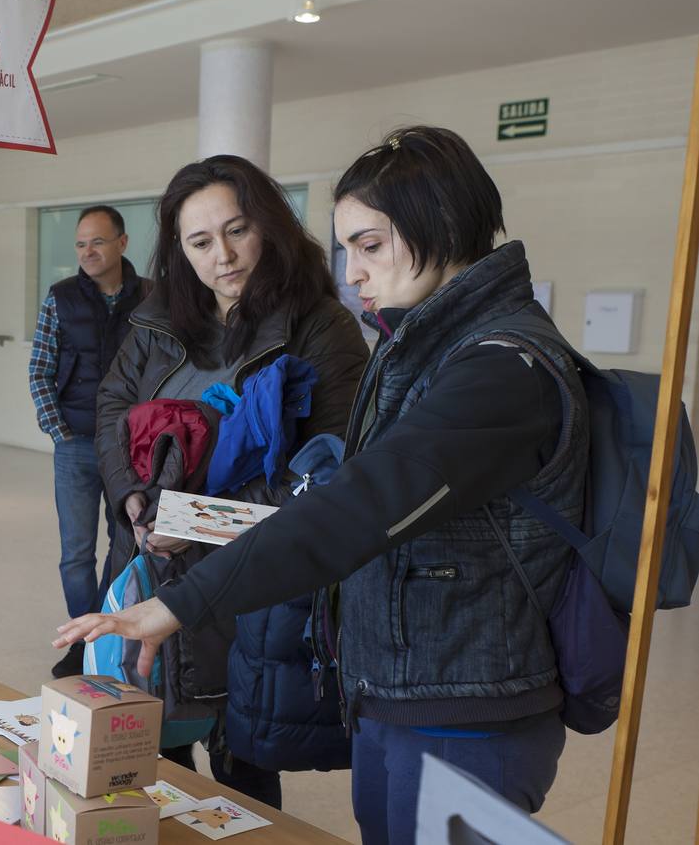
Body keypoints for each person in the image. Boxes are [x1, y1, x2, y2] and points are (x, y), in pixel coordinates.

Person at [58, 127, 585, 845]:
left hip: (464, 696)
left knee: (244, 762)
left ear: (439, 222)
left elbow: (347, 506)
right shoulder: (420, 344)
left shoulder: (498, 368)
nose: (353, 271)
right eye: (346, 250)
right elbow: (117, 410)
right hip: (403, 686)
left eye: (368, 246)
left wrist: (178, 601)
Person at [91, 158, 368, 808]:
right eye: (199, 242)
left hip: (252, 585)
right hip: (153, 567)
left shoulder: (320, 329)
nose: (223, 255)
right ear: (179, 251)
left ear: (267, 227)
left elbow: (322, 484)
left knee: (239, 770)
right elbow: (111, 411)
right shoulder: (156, 324)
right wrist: (130, 492)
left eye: (237, 230)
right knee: (150, 744)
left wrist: (187, 520)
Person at [27, 204, 148, 679]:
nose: (88, 252)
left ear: (122, 242)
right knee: (76, 553)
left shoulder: (152, 298)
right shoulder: (60, 298)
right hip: (76, 443)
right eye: (80, 244)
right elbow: (40, 369)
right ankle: (83, 642)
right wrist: (59, 431)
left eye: (97, 242)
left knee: (127, 546)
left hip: (130, 448)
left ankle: (109, 630)